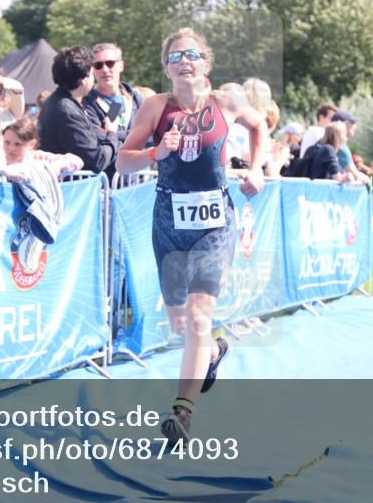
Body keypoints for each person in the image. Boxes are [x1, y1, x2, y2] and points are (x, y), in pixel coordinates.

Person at [116, 27, 266, 446]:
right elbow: (123, 163)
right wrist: (155, 152)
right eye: (175, 56)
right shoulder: (154, 107)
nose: (184, 61)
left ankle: (182, 413)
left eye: (192, 54)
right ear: (166, 67)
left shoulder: (226, 102)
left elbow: (260, 128)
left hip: (216, 222)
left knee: (200, 316)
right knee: (182, 324)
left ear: (207, 63)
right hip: (168, 219)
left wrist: (257, 168)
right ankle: (214, 351)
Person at [38, 46, 119, 175]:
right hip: (70, 190)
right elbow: (97, 161)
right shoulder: (66, 110)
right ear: (83, 80)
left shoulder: (62, 103)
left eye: (110, 63)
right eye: (92, 73)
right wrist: (112, 133)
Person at [82, 43, 144, 145]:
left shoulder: (135, 97)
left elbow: (150, 134)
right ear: (92, 69)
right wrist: (138, 136)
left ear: (121, 66)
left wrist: (114, 134)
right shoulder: (87, 102)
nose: (105, 70)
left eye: (110, 63)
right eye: (98, 65)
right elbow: (99, 138)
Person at [2, 116, 82, 176]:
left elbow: (78, 161)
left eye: (18, 144)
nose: (11, 148)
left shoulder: (39, 157)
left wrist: (59, 165)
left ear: (31, 144)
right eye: (7, 142)